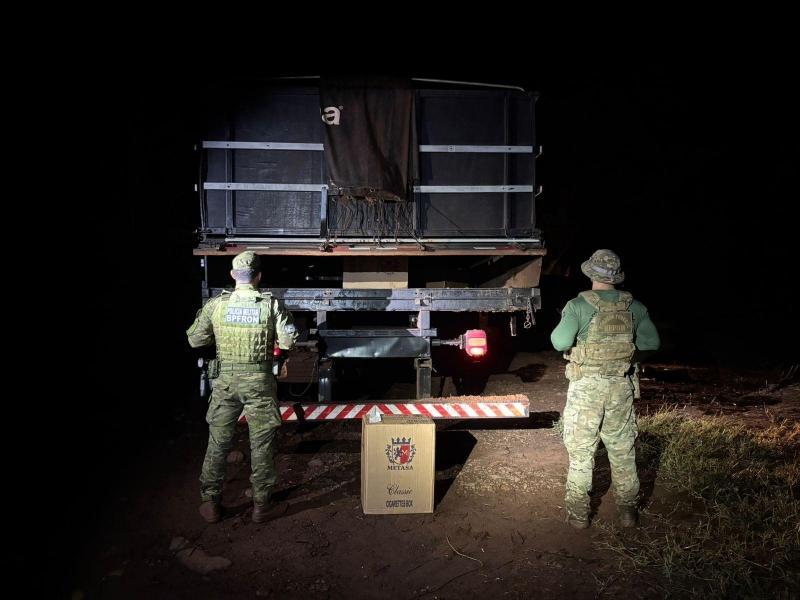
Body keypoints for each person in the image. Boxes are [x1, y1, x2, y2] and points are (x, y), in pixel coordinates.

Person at [550, 249, 660, 529]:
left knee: (581, 451)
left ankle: (578, 516)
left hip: (586, 387)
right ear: (617, 278)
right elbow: (651, 343)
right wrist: (624, 356)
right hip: (620, 387)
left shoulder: (578, 305)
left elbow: (560, 342)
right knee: (622, 450)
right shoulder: (635, 307)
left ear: (590, 273)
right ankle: (627, 512)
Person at [187, 251, 298, 523]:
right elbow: (288, 341)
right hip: (259, 382)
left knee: (218, 442)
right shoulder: (270, 305)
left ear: (232, 276)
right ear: (259, 276)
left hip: (225, 383)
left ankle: (211, 502)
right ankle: (262, 505)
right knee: (261, 443)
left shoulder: (217, 305)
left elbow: (195, 340)